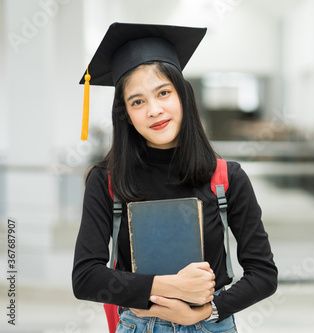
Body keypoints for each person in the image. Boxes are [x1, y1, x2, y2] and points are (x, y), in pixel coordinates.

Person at [72, 22, 278, 332]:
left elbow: (264, 274)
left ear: (183, 95)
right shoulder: (107, 180)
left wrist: (208, 311)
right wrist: (171, 287)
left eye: (163, 92)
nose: (154, 110)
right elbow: (86, 277)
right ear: (125, 113)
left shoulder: (226, 177)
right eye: (137, 101)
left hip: (212, 323)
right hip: (140, 325)